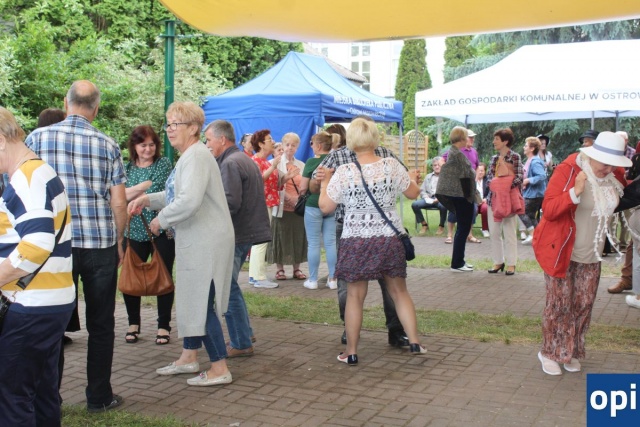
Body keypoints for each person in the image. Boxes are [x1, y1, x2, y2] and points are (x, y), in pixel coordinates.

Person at [26, 80, 127, 413]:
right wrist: (119, 240)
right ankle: (99, 397)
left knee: (51, 323)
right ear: (96, 109)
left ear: (65, 102)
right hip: (99, 244)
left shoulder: (36, 139)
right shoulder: (108, 144)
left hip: (54, 247)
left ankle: (49, 397)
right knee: (102, 324)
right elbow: (118, 202)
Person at [129, 101, 235, 386]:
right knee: (192, 299)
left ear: (194, 128)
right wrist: (146, 199)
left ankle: (219, 368)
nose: (170, 129)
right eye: (169, 124)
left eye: (176, 124)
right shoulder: (189, 155)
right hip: (198, 239)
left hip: (206, 242)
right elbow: (176, 194)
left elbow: (189, 200)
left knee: (201, 304)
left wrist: (160, 220)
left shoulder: (196, 156)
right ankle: (189, 356)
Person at [318, 118, 426, 365]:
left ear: (351, 141)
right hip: (389, 238)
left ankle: (351, 351)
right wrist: (411, 178)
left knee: (355, 296)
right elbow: (413, 193)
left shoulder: (344, 171)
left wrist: (325, 183)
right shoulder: (390, 165)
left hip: (356, 239)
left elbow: (325, 207)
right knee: (399, 292)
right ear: (375, 139)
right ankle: (414, 341)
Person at [533, 131, 629, 376]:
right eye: (605, 163)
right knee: (559, 305)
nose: (609, 169)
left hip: (592, 254)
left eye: (614, 164)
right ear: (592, 155)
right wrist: (574, 193)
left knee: (584, 304)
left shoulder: (613, 175)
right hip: (562, 251)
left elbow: (623, 197)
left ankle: (571, 350)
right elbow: (549, 209)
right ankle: (550, 352)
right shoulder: (569, 170)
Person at [0, 107, 74, 426]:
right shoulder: (37, 172)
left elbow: (36, 244)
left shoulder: (26, 179)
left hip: (30, 305)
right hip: (49, 302)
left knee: (12, 397)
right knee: (42, 393)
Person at [204, 119, 272, 357]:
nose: (207, 145)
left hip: (236, 234)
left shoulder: (231, 163)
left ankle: (242, 342)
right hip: (244, 233)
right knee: (229, 286)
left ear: (222, 139)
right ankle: (244, 334)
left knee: (225, 289)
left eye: (209, 140)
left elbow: (229, 202)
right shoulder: (241, 159)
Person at [121, 126, 175, 345]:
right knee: (131, 276)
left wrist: (135, 191)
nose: (148, 149)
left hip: (160, 229)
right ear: (134, 146)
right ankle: (133, 323)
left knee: (164, 276)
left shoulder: (163, 164)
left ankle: (164, 326)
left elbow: (158, 190)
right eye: (143, 145)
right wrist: (142, 188)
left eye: (152, 144)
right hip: (132, 231)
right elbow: (120, 195)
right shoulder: (126, 167)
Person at [248, 130, 298, 288]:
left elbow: (274, 184)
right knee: (261, 241)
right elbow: (259, 179)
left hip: (268, 204)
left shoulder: (265, 162)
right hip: (260, 204)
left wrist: (286, 177)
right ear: (261, 144)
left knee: (261, 241)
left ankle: (255, 276)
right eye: (269, 140)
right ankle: (259, 277)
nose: (273, 142)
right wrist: (274, 166)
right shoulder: (256, 161)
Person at [299, 131, 339, 290]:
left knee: (313, 243)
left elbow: (303, 187)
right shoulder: (335, 161)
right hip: (332, 204)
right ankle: (333, 279)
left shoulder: (311, 162)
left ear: (319, 145)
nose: (311, 146)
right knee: (331, 243)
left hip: (313, 205)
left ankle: (313, 279)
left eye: (312, 143)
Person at [435, 126, 476, 272]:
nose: (468, 139)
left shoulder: (454, 152)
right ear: (462, 138)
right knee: (463, 229)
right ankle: (457, 263)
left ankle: (459, 261)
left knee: (462, 229)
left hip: (461, 194)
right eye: (467, 137)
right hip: (461, 195)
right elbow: (466, 174)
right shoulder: (456, 154)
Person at [267, 133, 307, 281]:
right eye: (287, 144)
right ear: (282, 146)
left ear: (297, 147)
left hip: (297, 208)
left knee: (298, 237)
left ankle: (297, 269)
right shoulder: (274, 163)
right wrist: (286, 180)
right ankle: (280, 269)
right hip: (281, 207)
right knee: (280, 237)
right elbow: (272, 185)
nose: (290, 148)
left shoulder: (301, 165)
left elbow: (305, 184)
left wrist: (299, 197)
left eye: (293, 145)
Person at [486, 128, 523, 276]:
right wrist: (497, 187)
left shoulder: (515, 157)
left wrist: (504, 187)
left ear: (505, 141)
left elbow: (519, 177)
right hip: (493, 200)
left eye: (497, 139)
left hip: (509, 201)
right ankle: (498, 262)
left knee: (509, 233)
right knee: (494, 232)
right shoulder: (494, 159)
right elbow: (489, 178)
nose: (494, 142)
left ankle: (511, 264)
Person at [519, 137, 547, 245]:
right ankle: (539, 237)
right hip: (532, 193)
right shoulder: (530, 160)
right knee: (530, 215)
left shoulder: (535, 161)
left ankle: (532, 234)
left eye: (526, 146)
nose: (524, 147)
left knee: (521, 211)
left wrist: (528, 180)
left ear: (532, 148)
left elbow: (542, 176)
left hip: (535, 194)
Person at [412, 156, 447, 235]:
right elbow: (422, 190)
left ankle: (441, 226)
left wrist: (439, 198)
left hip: (440, 200)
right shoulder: (428, 176)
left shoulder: (446, 177)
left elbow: (448, 192)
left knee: (443, 206)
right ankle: (424, 224)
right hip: (428, 199)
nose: (437, 167)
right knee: (415, 204)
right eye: (435, 165)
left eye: (439, 165)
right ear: (432, 167)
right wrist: (426, 197)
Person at [475, 163, 490, 238]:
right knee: (472, 209)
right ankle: (468, 230)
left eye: (482, 170)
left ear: (485, 171)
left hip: (484, 201)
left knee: (485, 208)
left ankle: (485, 229)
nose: (480, 172)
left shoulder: (488, 180)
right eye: (478, 170)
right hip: (474, 202)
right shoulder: (472, 180)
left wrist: (486, 199)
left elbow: (491, 192)